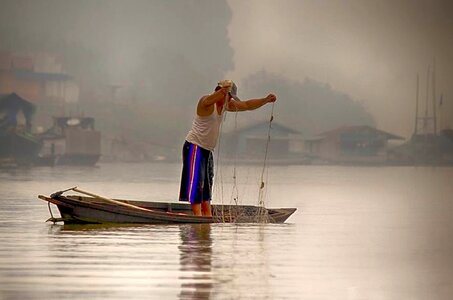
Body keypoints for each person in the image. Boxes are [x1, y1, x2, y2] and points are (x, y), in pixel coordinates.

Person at [179, 80, 277, 216]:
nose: (230, 100)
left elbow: (246, 105)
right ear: (220, 92)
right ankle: (197, 217)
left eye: (231, 97)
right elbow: (209, 99)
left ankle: (207, 215)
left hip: (207, 150)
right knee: (197, 183)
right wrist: (222, 91)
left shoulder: (225, 105)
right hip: (194, 146)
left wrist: (265, 100)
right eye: (229, 96)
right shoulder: (206, 102)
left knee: (207, 185)